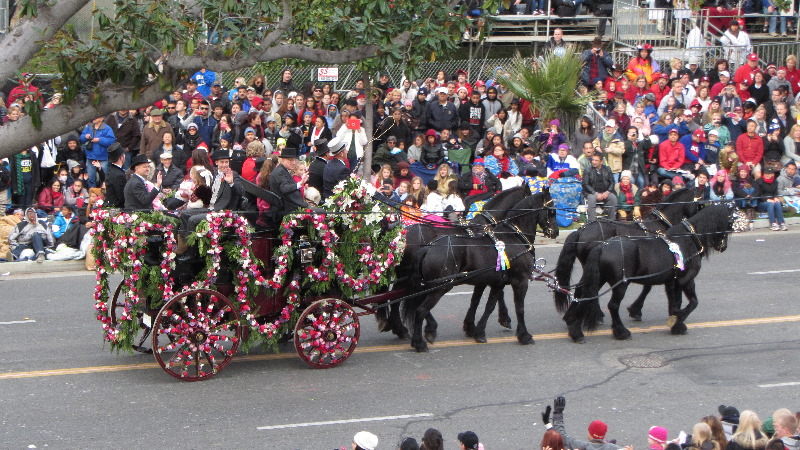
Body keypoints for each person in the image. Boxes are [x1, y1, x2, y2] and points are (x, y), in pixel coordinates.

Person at [547, 396, 627, 450]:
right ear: (603, 435)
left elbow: (562, 436)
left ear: (589, 433)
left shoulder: (582, 446)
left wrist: (558, 413)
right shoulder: (612, 448)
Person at [80, 116, 117, 188]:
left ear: (102, 118)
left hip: (103, 157)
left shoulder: (107, 128)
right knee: (91, 179)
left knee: (104, 178)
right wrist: (85, 136)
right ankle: (92, 194)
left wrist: (99, 140)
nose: (94, 118)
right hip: (90, 157)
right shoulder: (89, 127)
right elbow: (81, 138)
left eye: (97, 117)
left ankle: (104, 194)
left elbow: (111, 141)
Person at [583, 151, 618, 221]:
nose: (594, 162)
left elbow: (612, 182)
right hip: (591, 192)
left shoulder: (607, 169)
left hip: (605, 191)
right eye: (593, 160)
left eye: (596, 160)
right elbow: (585, 184)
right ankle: (591, 221)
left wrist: (607, 192)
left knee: (613, 198)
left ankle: (611, 220)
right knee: (592, 199)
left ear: (601, 162)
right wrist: (596, 194)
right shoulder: (587, 170)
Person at [103, 143, 127, 208]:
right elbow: (122, 197)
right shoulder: (119, 175)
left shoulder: (110, 170)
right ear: (121, 157)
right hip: (117, 209)